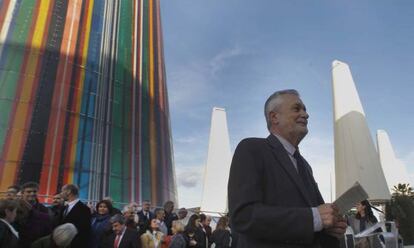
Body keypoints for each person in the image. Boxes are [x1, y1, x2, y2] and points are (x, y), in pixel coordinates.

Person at [228, 89, 347, 247]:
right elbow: (243, 216)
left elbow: (317, 217)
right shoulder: (251, 149)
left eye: (305, 109)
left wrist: (330, 227)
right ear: (274, 117)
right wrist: (315, 218)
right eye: (297, 108)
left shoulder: (305, 166)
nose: (305, 114)